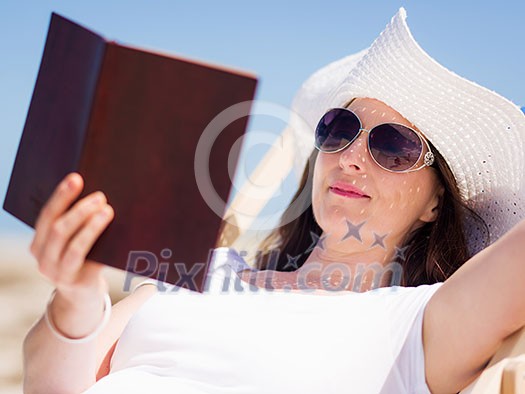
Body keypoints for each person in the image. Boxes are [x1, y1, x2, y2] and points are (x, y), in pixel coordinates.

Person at [22, 7, 525, 394]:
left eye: (393, 147)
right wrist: (78, 297)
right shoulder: (207, 272)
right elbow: (48, 385)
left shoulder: (416, 321)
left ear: (434, 205)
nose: (351, 157)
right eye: (340, 130)